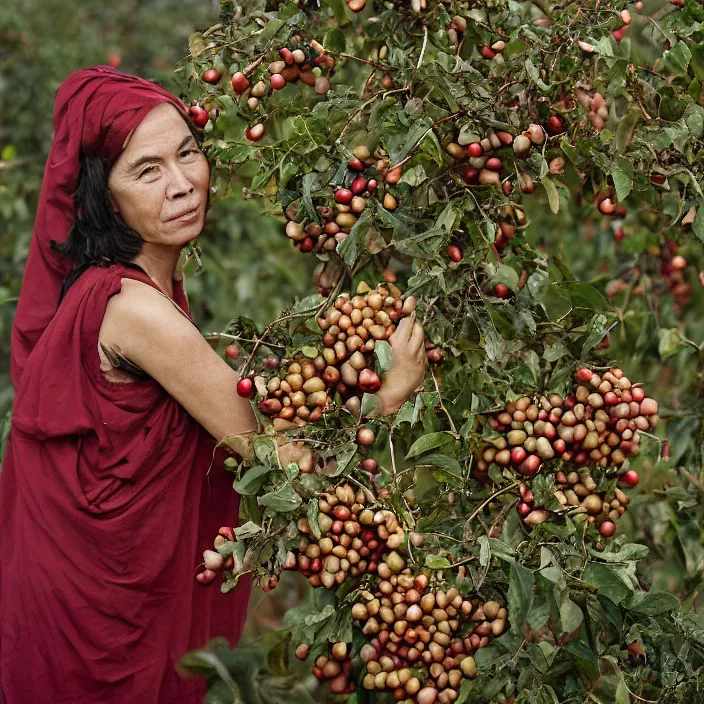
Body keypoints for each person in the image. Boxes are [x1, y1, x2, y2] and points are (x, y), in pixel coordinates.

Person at [0, 66, 427, 703]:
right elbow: (278, 459)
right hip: (102, 619)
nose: (181, 184)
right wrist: (386, 398)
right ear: (103, 196)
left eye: (188, 154)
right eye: (147, 170)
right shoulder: (133, 310)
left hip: (73, 595)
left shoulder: (134, 290)